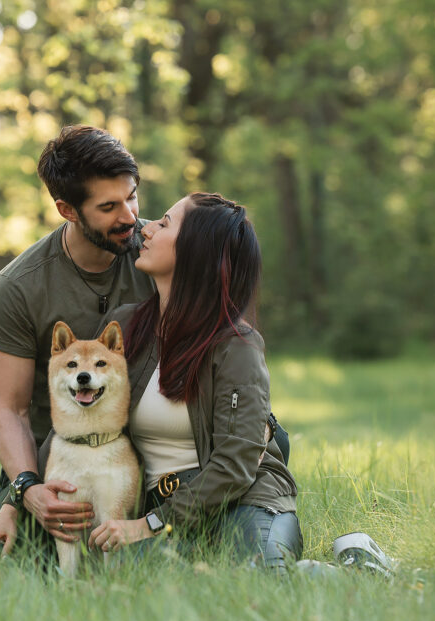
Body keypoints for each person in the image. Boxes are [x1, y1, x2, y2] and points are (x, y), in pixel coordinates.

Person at [76, 192, 303, 571]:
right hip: (162, 509)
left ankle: (355, 559)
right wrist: (26, 493)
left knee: (259, 574)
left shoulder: (237, 346)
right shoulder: (127, 326)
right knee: (119, 581)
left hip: (244, 500)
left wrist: (149, 525)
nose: (145, 230)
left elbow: (235, 464)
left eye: (164, 224)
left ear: (196, 250)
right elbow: (82, 419)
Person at [0, 125, 155, 561]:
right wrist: (26, 491)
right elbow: (9, 410)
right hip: (56, 465)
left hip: (152, 452)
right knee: (26, 566)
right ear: (67, 209)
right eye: (109, 206)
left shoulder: (163, 254)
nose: (129, 216)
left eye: (132, 196)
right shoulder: (17, 288)